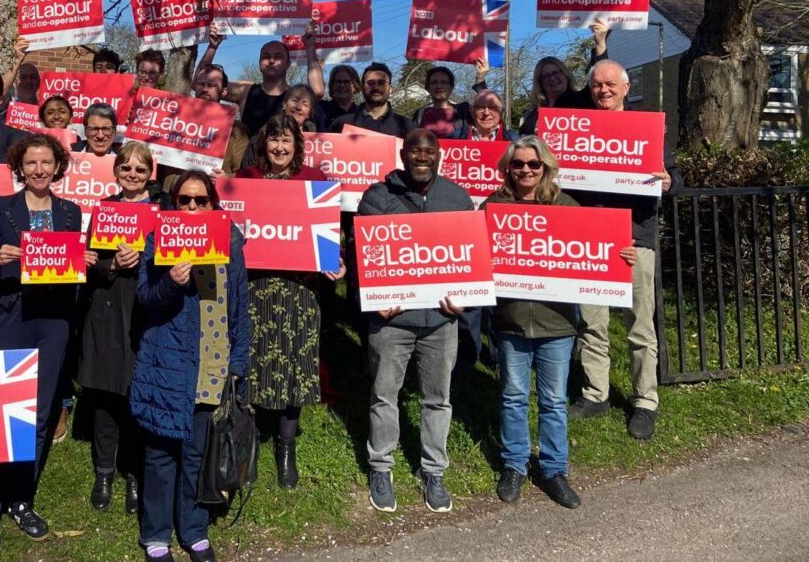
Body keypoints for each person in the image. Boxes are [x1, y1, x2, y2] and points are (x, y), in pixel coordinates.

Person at [483, 137, 636, 509]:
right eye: (518, 164)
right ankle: (515, 465)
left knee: (553, 401)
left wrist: (621, 256)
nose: (525, 171)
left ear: (546, 168)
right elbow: (474, 253)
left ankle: (553, 470)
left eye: (533, 165)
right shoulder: (493, 206)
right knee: (513, 398)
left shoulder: (566, 206)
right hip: (511, 321)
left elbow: (593, 248)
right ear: (508, 168)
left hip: (557, 324)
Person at [0, 134, 95, 549]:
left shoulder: (69, 212)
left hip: (51, 323)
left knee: (39, 413)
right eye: (32, 163)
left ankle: (21, 498)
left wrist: (84, 261)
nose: (39, 170)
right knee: (1, 411)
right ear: (20, 167)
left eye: (46, 163)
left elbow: (69, 267)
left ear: (57, 166)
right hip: (9, 318)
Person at [131, 171, 250, 562]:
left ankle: (194, 530)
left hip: (212, 361)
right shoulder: (159, 239)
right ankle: (156, 535)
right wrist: (171, 283)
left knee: (197, 451)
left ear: (214, 202)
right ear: (174, 203)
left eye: (201, 200)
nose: (193, 207)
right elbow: (145, 299)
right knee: (161, 454)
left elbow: (239, 306)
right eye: (185, 200)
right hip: (168, 360)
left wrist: (238, 361)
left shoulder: (230, 239)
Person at [355, 129, 470, 515]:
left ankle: (434, 471)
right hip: (392, 322)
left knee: (438, 398)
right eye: (415, 151)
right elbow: (363, 258)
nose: (422, 157)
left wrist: (464, 302)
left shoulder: (457, 198)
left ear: (439, 155)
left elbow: (469, 258)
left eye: (429, 151)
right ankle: (381, 467)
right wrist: (374, 302)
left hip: (441, 320)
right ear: (403, 155)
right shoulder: (377, 197)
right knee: (384, 395)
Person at [569, 61, 682, 441]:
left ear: (626, 86)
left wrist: (668, 182)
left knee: (639, 325)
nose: (603, 90)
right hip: (588, 240)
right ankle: (595, 393)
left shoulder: (645, 127)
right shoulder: (578, 128)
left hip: (635, 241)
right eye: (597, 84)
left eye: (610, 84)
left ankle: (644, 401)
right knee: (591, 322)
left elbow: (675, 176)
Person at [235, 114, 344, 489]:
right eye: (273, 140)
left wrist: (335, 260)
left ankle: (285, 449)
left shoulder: (314, 180)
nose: (280, 148)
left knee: (295, 362)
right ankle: (246, 445)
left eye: (287, 141)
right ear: (264, 143)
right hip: (255, 288)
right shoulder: (246, 180)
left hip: (299, 291)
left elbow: (328, 233)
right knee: (251, 362)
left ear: (297, 146)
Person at [80, 142, 158, 514]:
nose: (132, 175)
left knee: (138, 394)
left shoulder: (161, 211)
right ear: (116, 172)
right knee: (106, 395)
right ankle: (104, 471)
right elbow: (91, 260)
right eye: (125, 168)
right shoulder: (104, 209)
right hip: (107, 307)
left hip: (145, 307)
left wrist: (142, 258)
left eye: (139, 170)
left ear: (150, 174)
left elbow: (173, 254)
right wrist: (109, 265)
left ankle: (134, 473)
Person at [197, 22, 325, 135]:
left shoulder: (295, 96)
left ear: (288, 63)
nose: (271, 60)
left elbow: (317, 91)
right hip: (248, 160)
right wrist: (212, 47)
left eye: (278, 56)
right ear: (259, 62)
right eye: (266, 56)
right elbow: (199, 83)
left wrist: (309, 47)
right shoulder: (245, 91)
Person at [518, 19, 610, 135]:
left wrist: (600, 45)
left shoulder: (579, 101)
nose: (552, 78)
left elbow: (599, 75)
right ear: (540, 82)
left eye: (556, 73)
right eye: (546, 76)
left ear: (565, 75)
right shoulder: (532, 113)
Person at [193, 64, 249, 177]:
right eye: (201, 84)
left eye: (211, 85)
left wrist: (226, 179)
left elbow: (243, 173)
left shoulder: (237, 130)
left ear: (223, 92)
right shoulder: (174, 118)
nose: (205, 89)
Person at [409, 61, 490, 138]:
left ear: (451, 87)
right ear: (428, 87)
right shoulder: (420, 114)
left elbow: (488, 111)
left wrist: (480, 78)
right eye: (434, 82)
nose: (439, 86)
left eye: (444, 82)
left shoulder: (464, 111)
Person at [330, 62, 411, 137]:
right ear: (362, 88)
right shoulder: (342, 123)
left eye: (381, 83)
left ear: (390, 88)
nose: (376, 87)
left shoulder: (406, 126)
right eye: (371, 83)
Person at [2, 35, 41, 105]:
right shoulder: (9, 104)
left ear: (39, 83)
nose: (28, 81)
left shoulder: (44, 110)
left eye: (33, 77)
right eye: (23, 77)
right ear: (16, 82)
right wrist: (18, 59)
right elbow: (0, 90)